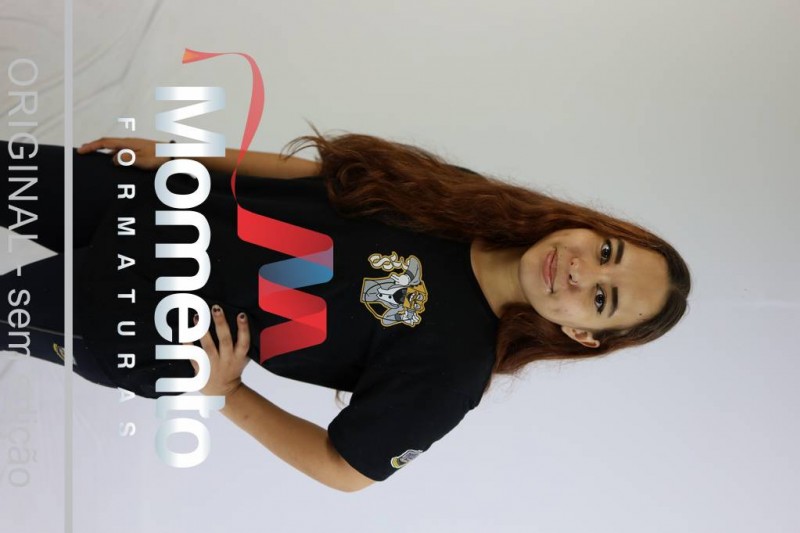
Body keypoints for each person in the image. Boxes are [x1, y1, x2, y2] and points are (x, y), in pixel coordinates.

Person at [1, 133, 690, 492]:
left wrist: (227, 393)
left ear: (581, 333)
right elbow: (320, 178)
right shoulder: (464, 201)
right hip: (151, 198)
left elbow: (346, 469)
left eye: (601, 296)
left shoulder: (452, 371)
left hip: (146, 314)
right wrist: (180, 154)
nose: (582, 270)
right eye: (607, 250)